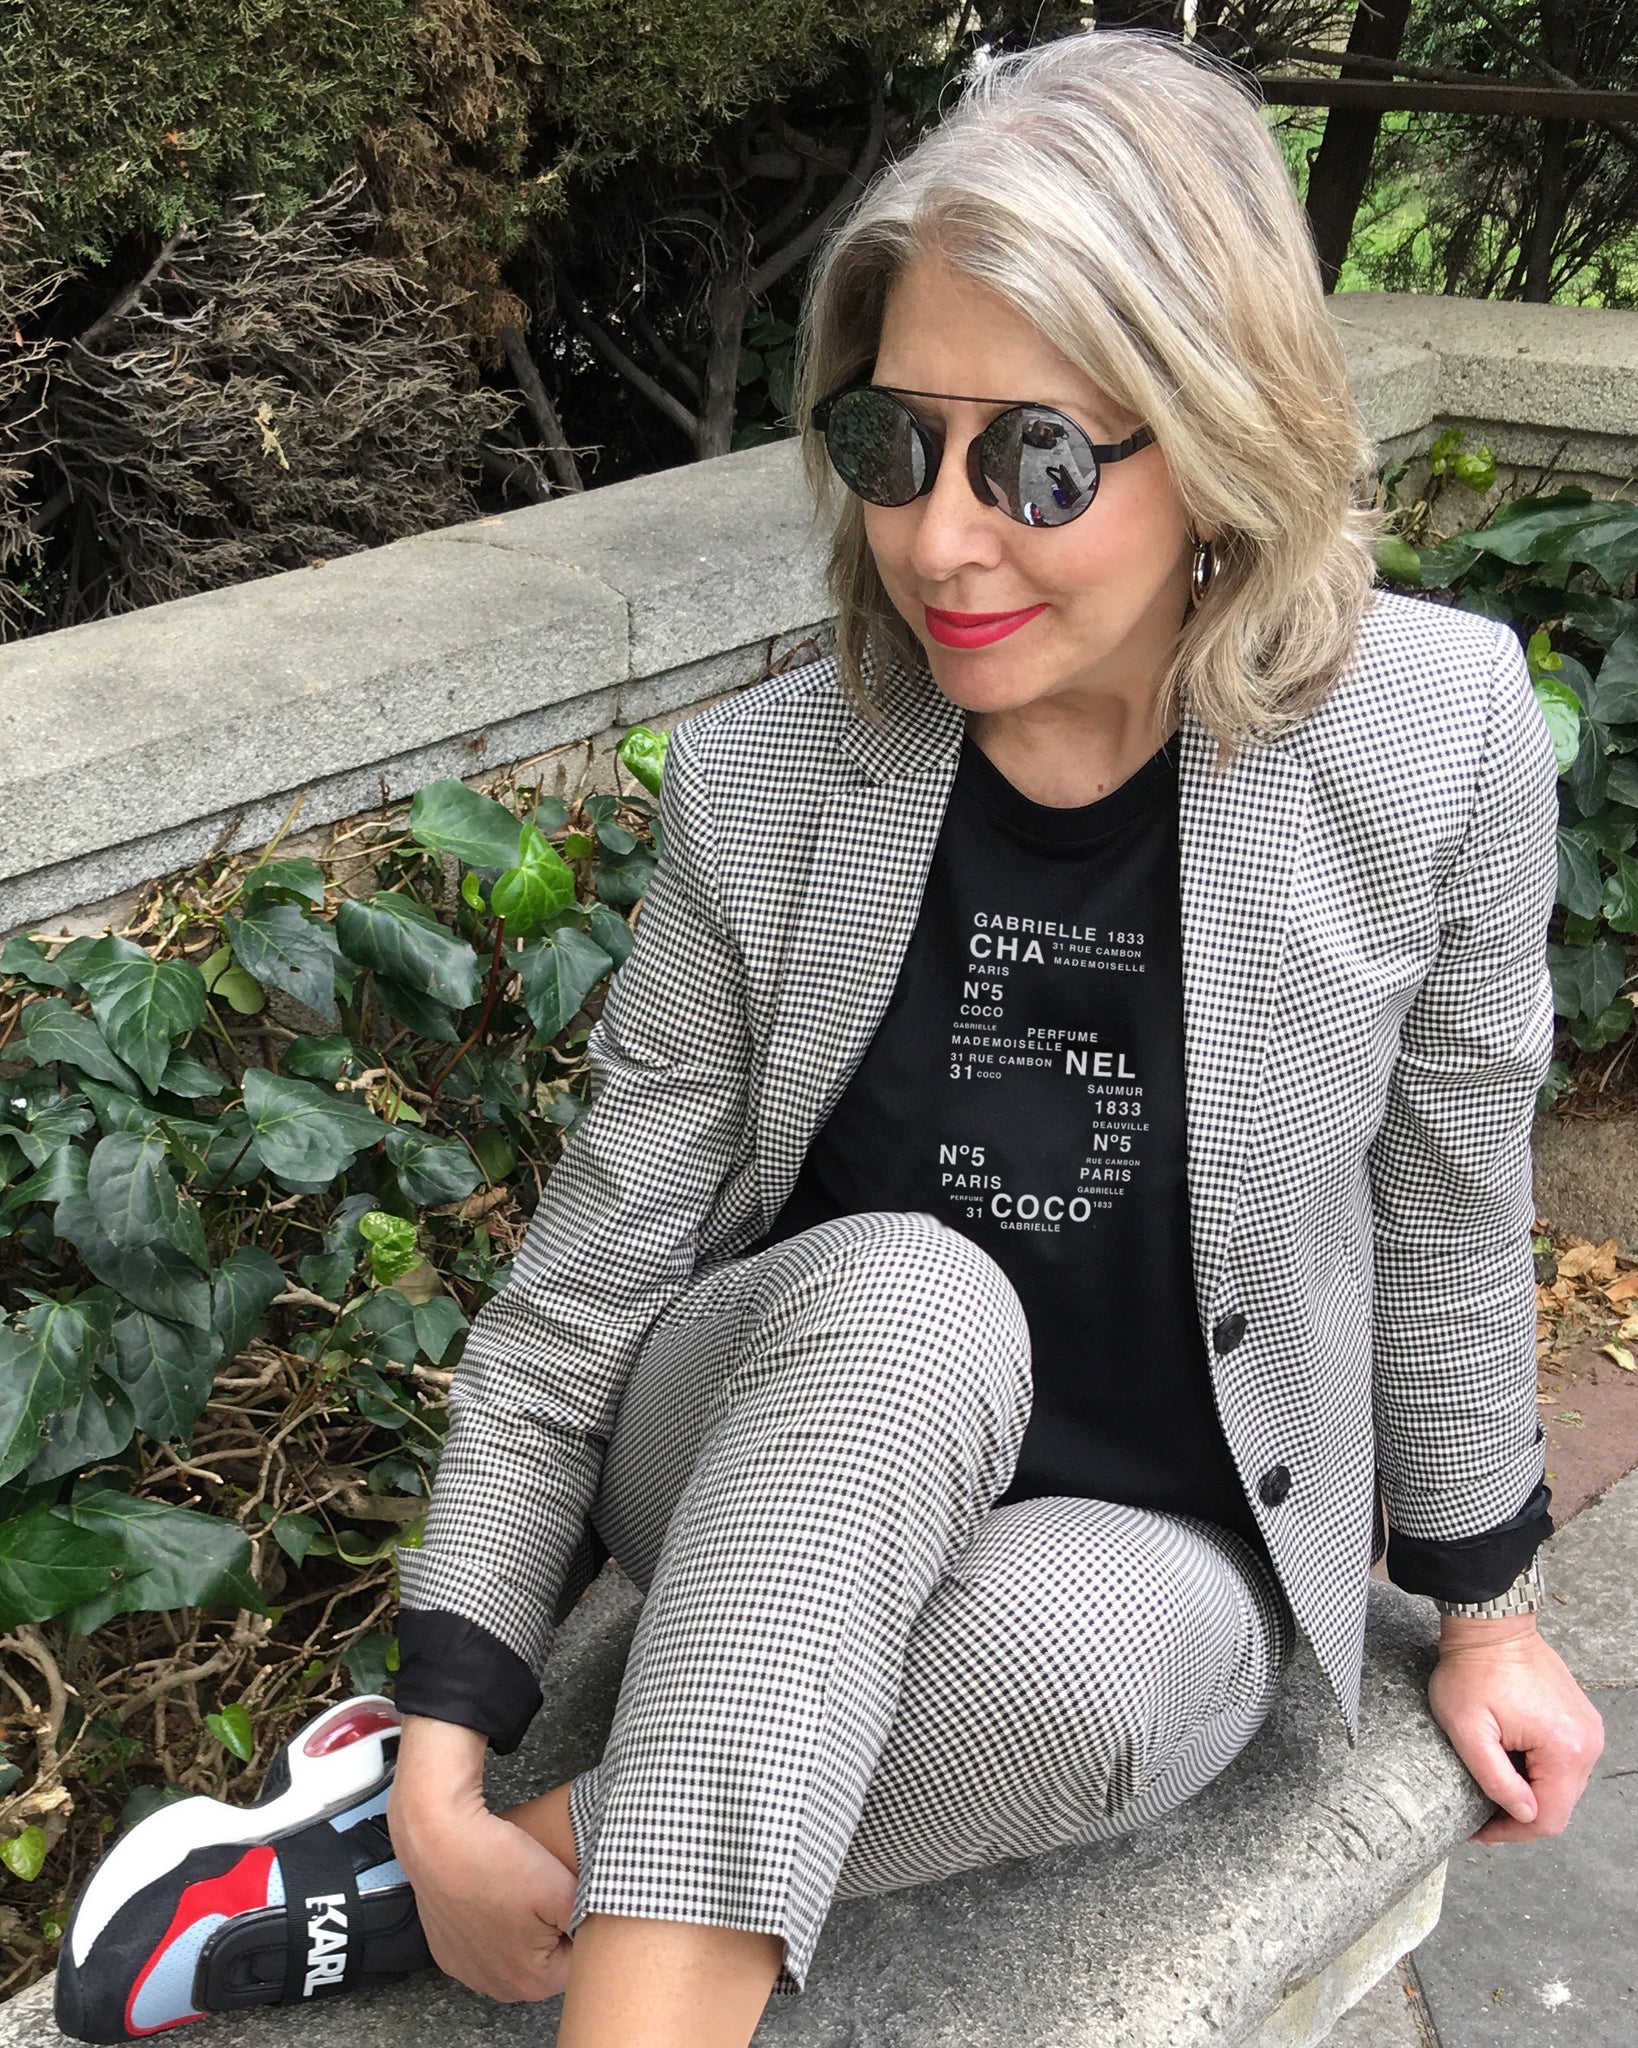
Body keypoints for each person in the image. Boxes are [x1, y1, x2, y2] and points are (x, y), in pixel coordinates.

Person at [379, 26, 1601, 2048]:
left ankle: (445, 1878)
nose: (939, 539)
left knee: (1098, 1682)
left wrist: (1485, 1616)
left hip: (1149, 1531)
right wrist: (442, 1747)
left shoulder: (1433, 737)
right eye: (894, 446)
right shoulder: (772, 786)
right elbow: (588, 1281)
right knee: (916, 1302)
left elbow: (1448, 1199)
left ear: (1219, 440)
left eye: (1036, 461)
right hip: (778, 1428)